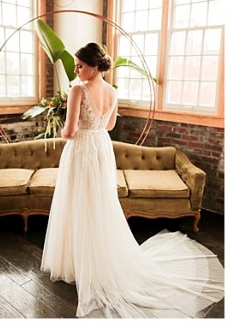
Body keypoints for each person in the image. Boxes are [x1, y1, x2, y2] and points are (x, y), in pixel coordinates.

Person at [40, 42, 224, 318]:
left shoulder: (78, 90)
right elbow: (110, 125)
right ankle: (96, 260)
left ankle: (77, 263)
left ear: (93, 66)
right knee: (99, 202)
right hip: (102, 147)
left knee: (77, 200)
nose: (76, 71)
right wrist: (92, 127)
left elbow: (68, 132)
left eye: (80, 66)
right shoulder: (112, 91)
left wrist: (70, 128)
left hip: (82, 149)